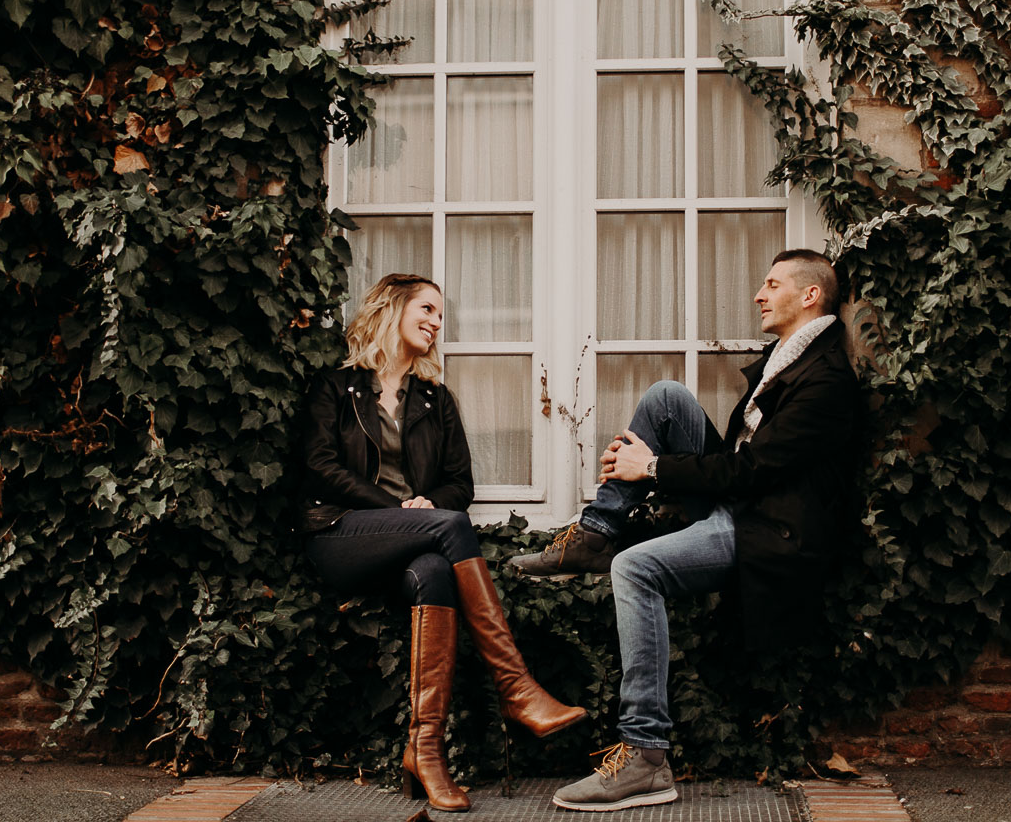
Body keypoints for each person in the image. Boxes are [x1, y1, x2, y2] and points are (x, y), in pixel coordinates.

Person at [507, 249, 862, 812]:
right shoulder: (786, 360)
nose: (759, 294)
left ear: (810, 295)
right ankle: (596, 531)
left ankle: (646, 756)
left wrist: (648, 467)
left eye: (771, 284)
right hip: (742, 504)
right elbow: (740, 464)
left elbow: (751, 473)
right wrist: (643, 463)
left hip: (768, 529)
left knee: (635, 568)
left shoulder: (826, 381)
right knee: (666, 397)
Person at [298, 273, 586, 813]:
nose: (436, 322)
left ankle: (424, 750)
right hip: (339, 534)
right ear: (392, 309)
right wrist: (402, 510)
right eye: (426, 309)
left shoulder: (435, 399)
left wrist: (427, 507)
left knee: (434, 568)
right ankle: (517, 687)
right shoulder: (336, 388)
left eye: (440, 315)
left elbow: (460, 484)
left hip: (414, 541)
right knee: (449, 528)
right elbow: (320, 468)